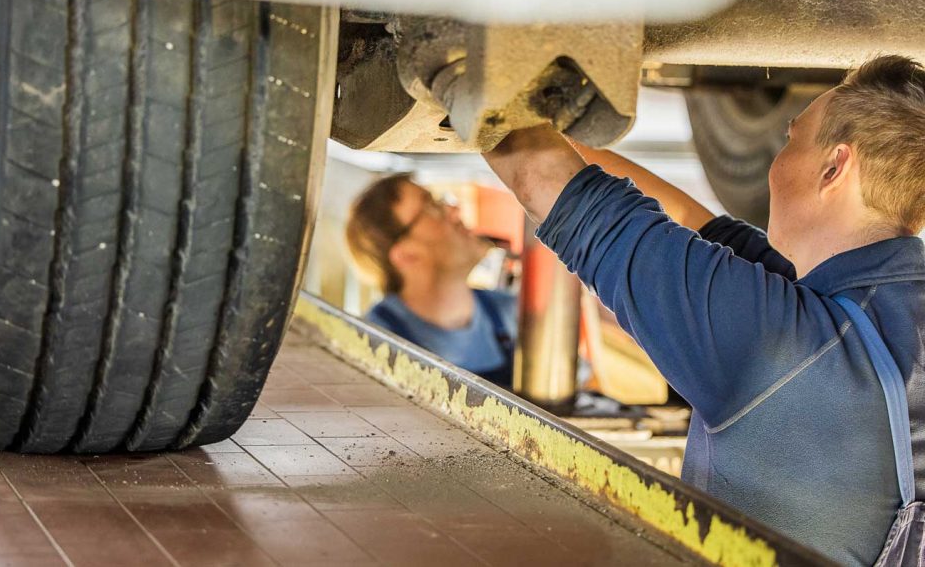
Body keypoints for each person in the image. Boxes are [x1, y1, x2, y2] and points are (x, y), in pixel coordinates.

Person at [479, 55, 925, 566]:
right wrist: (560, 129)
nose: (777, 163)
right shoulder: (870, 306)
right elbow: (694, 228)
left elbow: (540, 181)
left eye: (791, 140)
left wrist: (473, 70)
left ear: (834, 167)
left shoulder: (777, 345)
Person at [345, 174, 518, 387]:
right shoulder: (375, 344)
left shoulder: (514, 314)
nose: (455, 210)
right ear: (406, 255)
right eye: (432, 207)